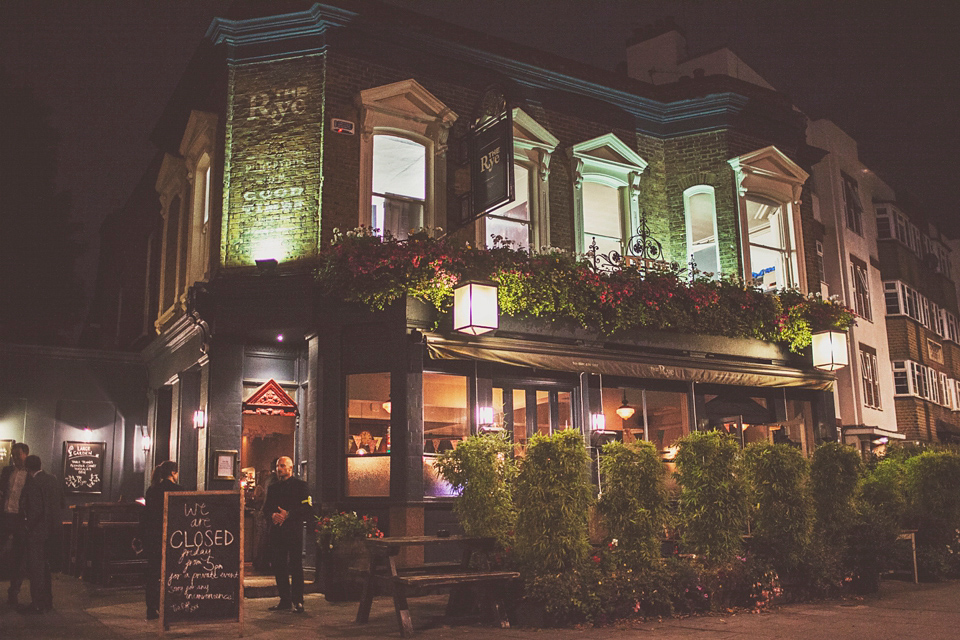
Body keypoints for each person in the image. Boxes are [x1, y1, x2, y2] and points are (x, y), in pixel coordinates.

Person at [262, 456, 312, 613]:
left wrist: (288, 514)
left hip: (293, 531)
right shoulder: (273, 488)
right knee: (279, 566)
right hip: (277, 532)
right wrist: (272, 516)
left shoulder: (301, 486)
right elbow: (266, 509)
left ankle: (298, 601)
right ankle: (285, 599)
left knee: (296, 566)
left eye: (282, 466)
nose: (279, 468)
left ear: (290, 468)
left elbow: (307, 508)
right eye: (278, 466)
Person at [139, 460, 183, 620]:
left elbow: (146, 516)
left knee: (153, 574)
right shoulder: (178, 490)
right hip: (173, 538)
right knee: (173, 573)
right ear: (173, 473)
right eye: (176, 472)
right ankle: (171, 606)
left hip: (153, 538)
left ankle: (151, 608)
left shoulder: (152, 490)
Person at [20, 454, 60, 614]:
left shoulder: (33, 483)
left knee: (36, 569)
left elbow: (36, 510)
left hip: (37, 532)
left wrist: (27, 527)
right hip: (53, 532)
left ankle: (37, 603)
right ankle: (48, 601)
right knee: (46, 568)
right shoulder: (53, 480)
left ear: (27, 468)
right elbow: (61, 503)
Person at [0, 442, 29, 607]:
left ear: (26, 454)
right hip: (4, 516)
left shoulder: (30, 474)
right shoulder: (7, 471)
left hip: (20, 518)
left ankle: (14, 592)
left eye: (18, 454)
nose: (15, 457)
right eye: (13, 454)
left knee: (19, 556)